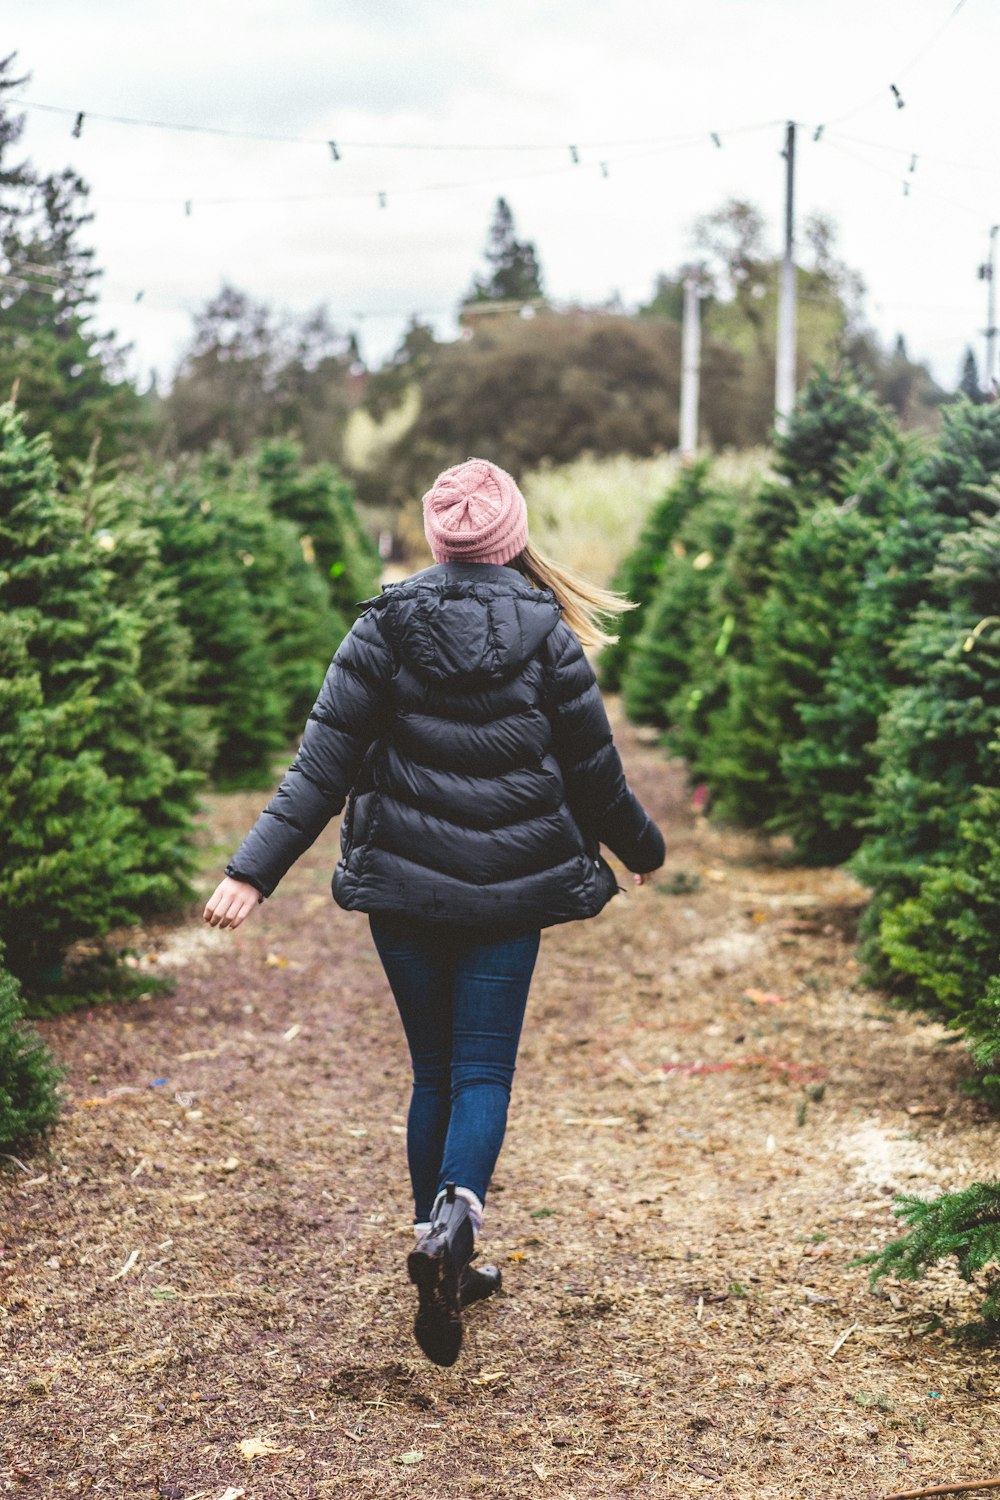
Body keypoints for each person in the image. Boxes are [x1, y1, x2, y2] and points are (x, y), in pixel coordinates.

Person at [204, 457, 665, 1367]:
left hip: (405, 892)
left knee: (432, 1072)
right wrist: (642, 851)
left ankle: (433, 1237)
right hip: (510, 892)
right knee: (483, 1070)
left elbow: (320, 770)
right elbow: (596, 776)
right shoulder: (548, 635)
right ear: (512, 537)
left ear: (435, 534)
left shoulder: (380, 629)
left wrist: (251, 874)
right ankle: (458, 1225)